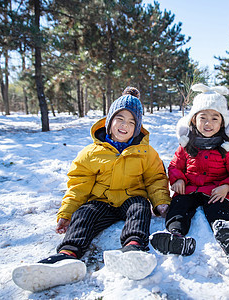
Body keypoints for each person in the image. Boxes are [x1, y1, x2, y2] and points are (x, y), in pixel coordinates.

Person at [12, 87, 171, 292]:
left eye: (132, 122)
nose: (125, 125)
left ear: (138, 127)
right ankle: (67, 255)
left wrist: (160, 202)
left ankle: (133, 249)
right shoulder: (91, 152)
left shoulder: (146, 153)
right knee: (84, 213)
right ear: (109, 121)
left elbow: (156, 178)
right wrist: (67, 213)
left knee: (140, 207)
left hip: (131, 198)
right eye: (120, 119)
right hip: (101, 202)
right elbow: (79, 183)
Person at [150, 83, 229, 268]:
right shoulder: (187, 145)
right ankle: (176, 236)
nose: (208, 123)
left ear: (222, 122)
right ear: (194, 120)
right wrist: (178, 178)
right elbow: (174, 165)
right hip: (189, 189)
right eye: (203, 117)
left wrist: (227, 187)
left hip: (215, 190)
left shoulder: (228, 148)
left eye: (214, 118)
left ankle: (227, 235)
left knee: (219, 209)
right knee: (178, 206)